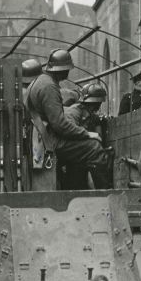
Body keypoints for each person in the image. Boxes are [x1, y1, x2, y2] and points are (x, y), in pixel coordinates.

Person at [28, 49, 113, 191]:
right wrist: (87, 134)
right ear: (62, 70)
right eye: (68, 69)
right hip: (49, 140)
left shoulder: (40, 80)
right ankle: (105, 193)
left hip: (42, 137)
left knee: (81, 150)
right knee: (94, 148)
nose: (68, 73)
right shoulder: (49, 86)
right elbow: (60, 125)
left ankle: (77, 188)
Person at [62, 84, 112, 189]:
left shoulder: (91, 116)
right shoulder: (74, 112)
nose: (97, 106)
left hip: (77, 152)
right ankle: (104, 190)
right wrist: (88, 134)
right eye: (95, 104)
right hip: (65, 147)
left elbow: (99, 135)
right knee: (94, 147)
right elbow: (68, 131)